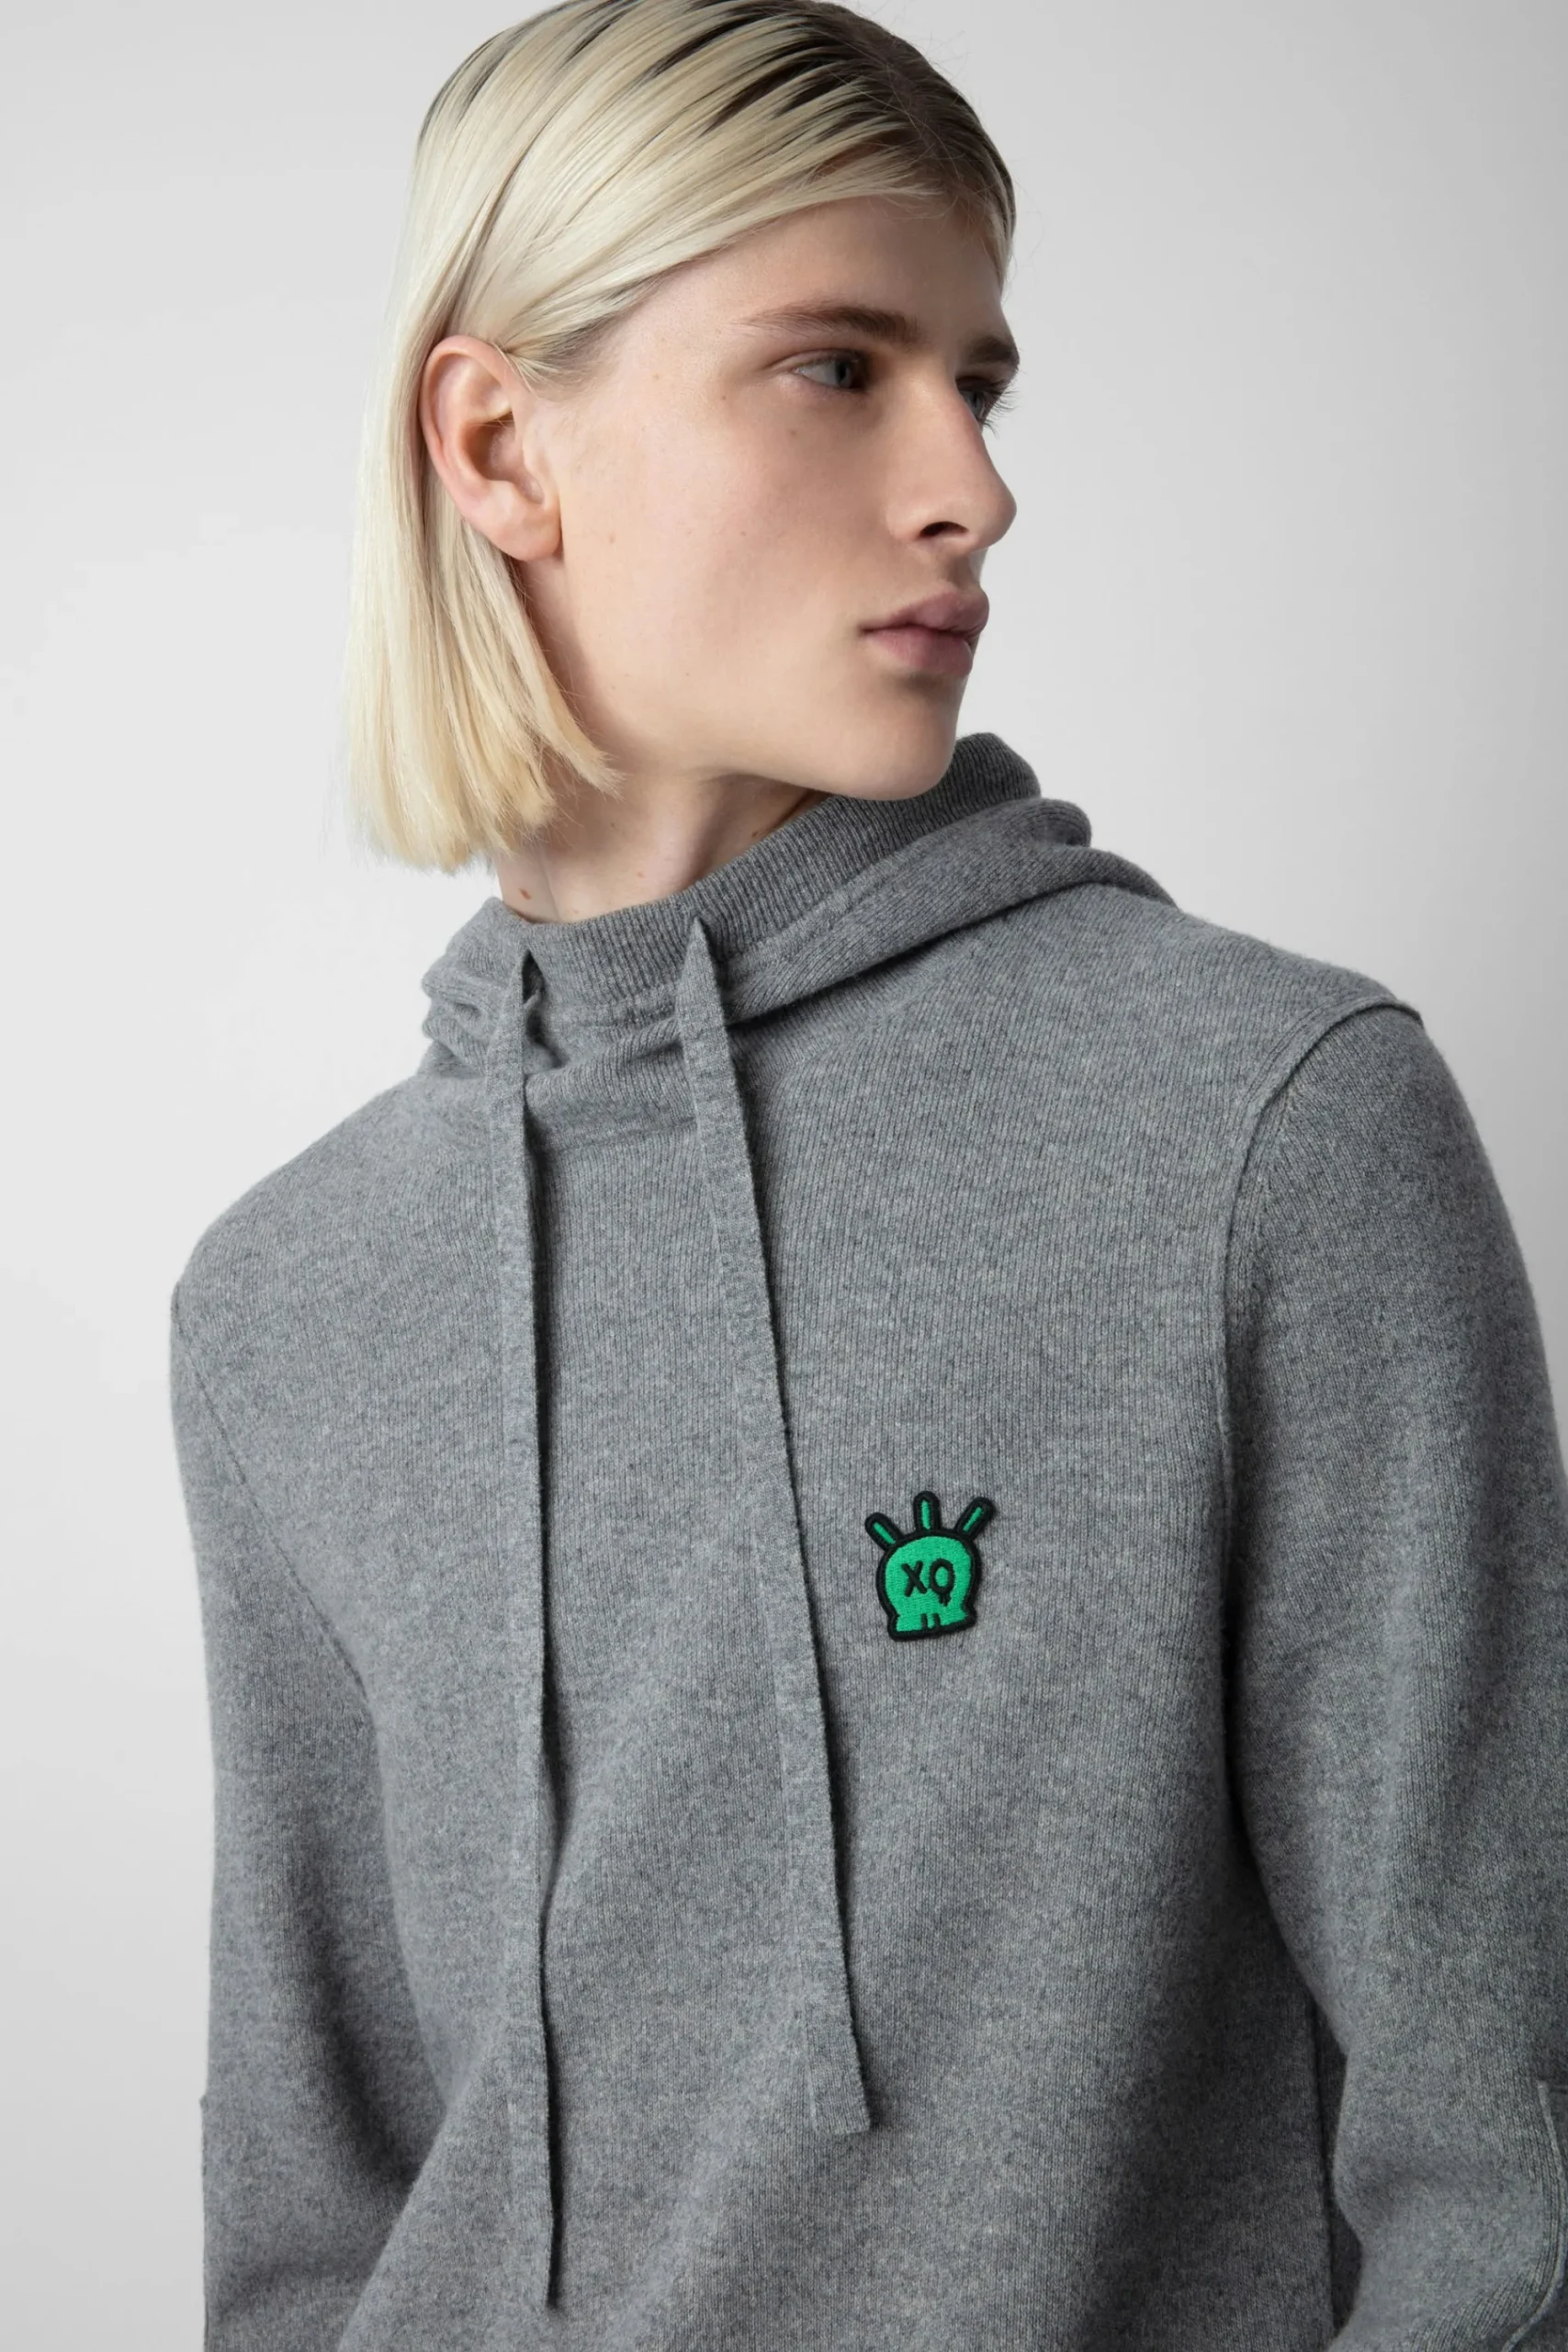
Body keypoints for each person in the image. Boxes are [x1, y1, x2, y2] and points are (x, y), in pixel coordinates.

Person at [167, 2, 1568, 2346]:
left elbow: (1502, 2174)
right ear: (499, 443)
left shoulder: (1262, 1122)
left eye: (979, 384)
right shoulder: (285, 1300)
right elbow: (316, 2220)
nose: (972, 489)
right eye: (838, 366)